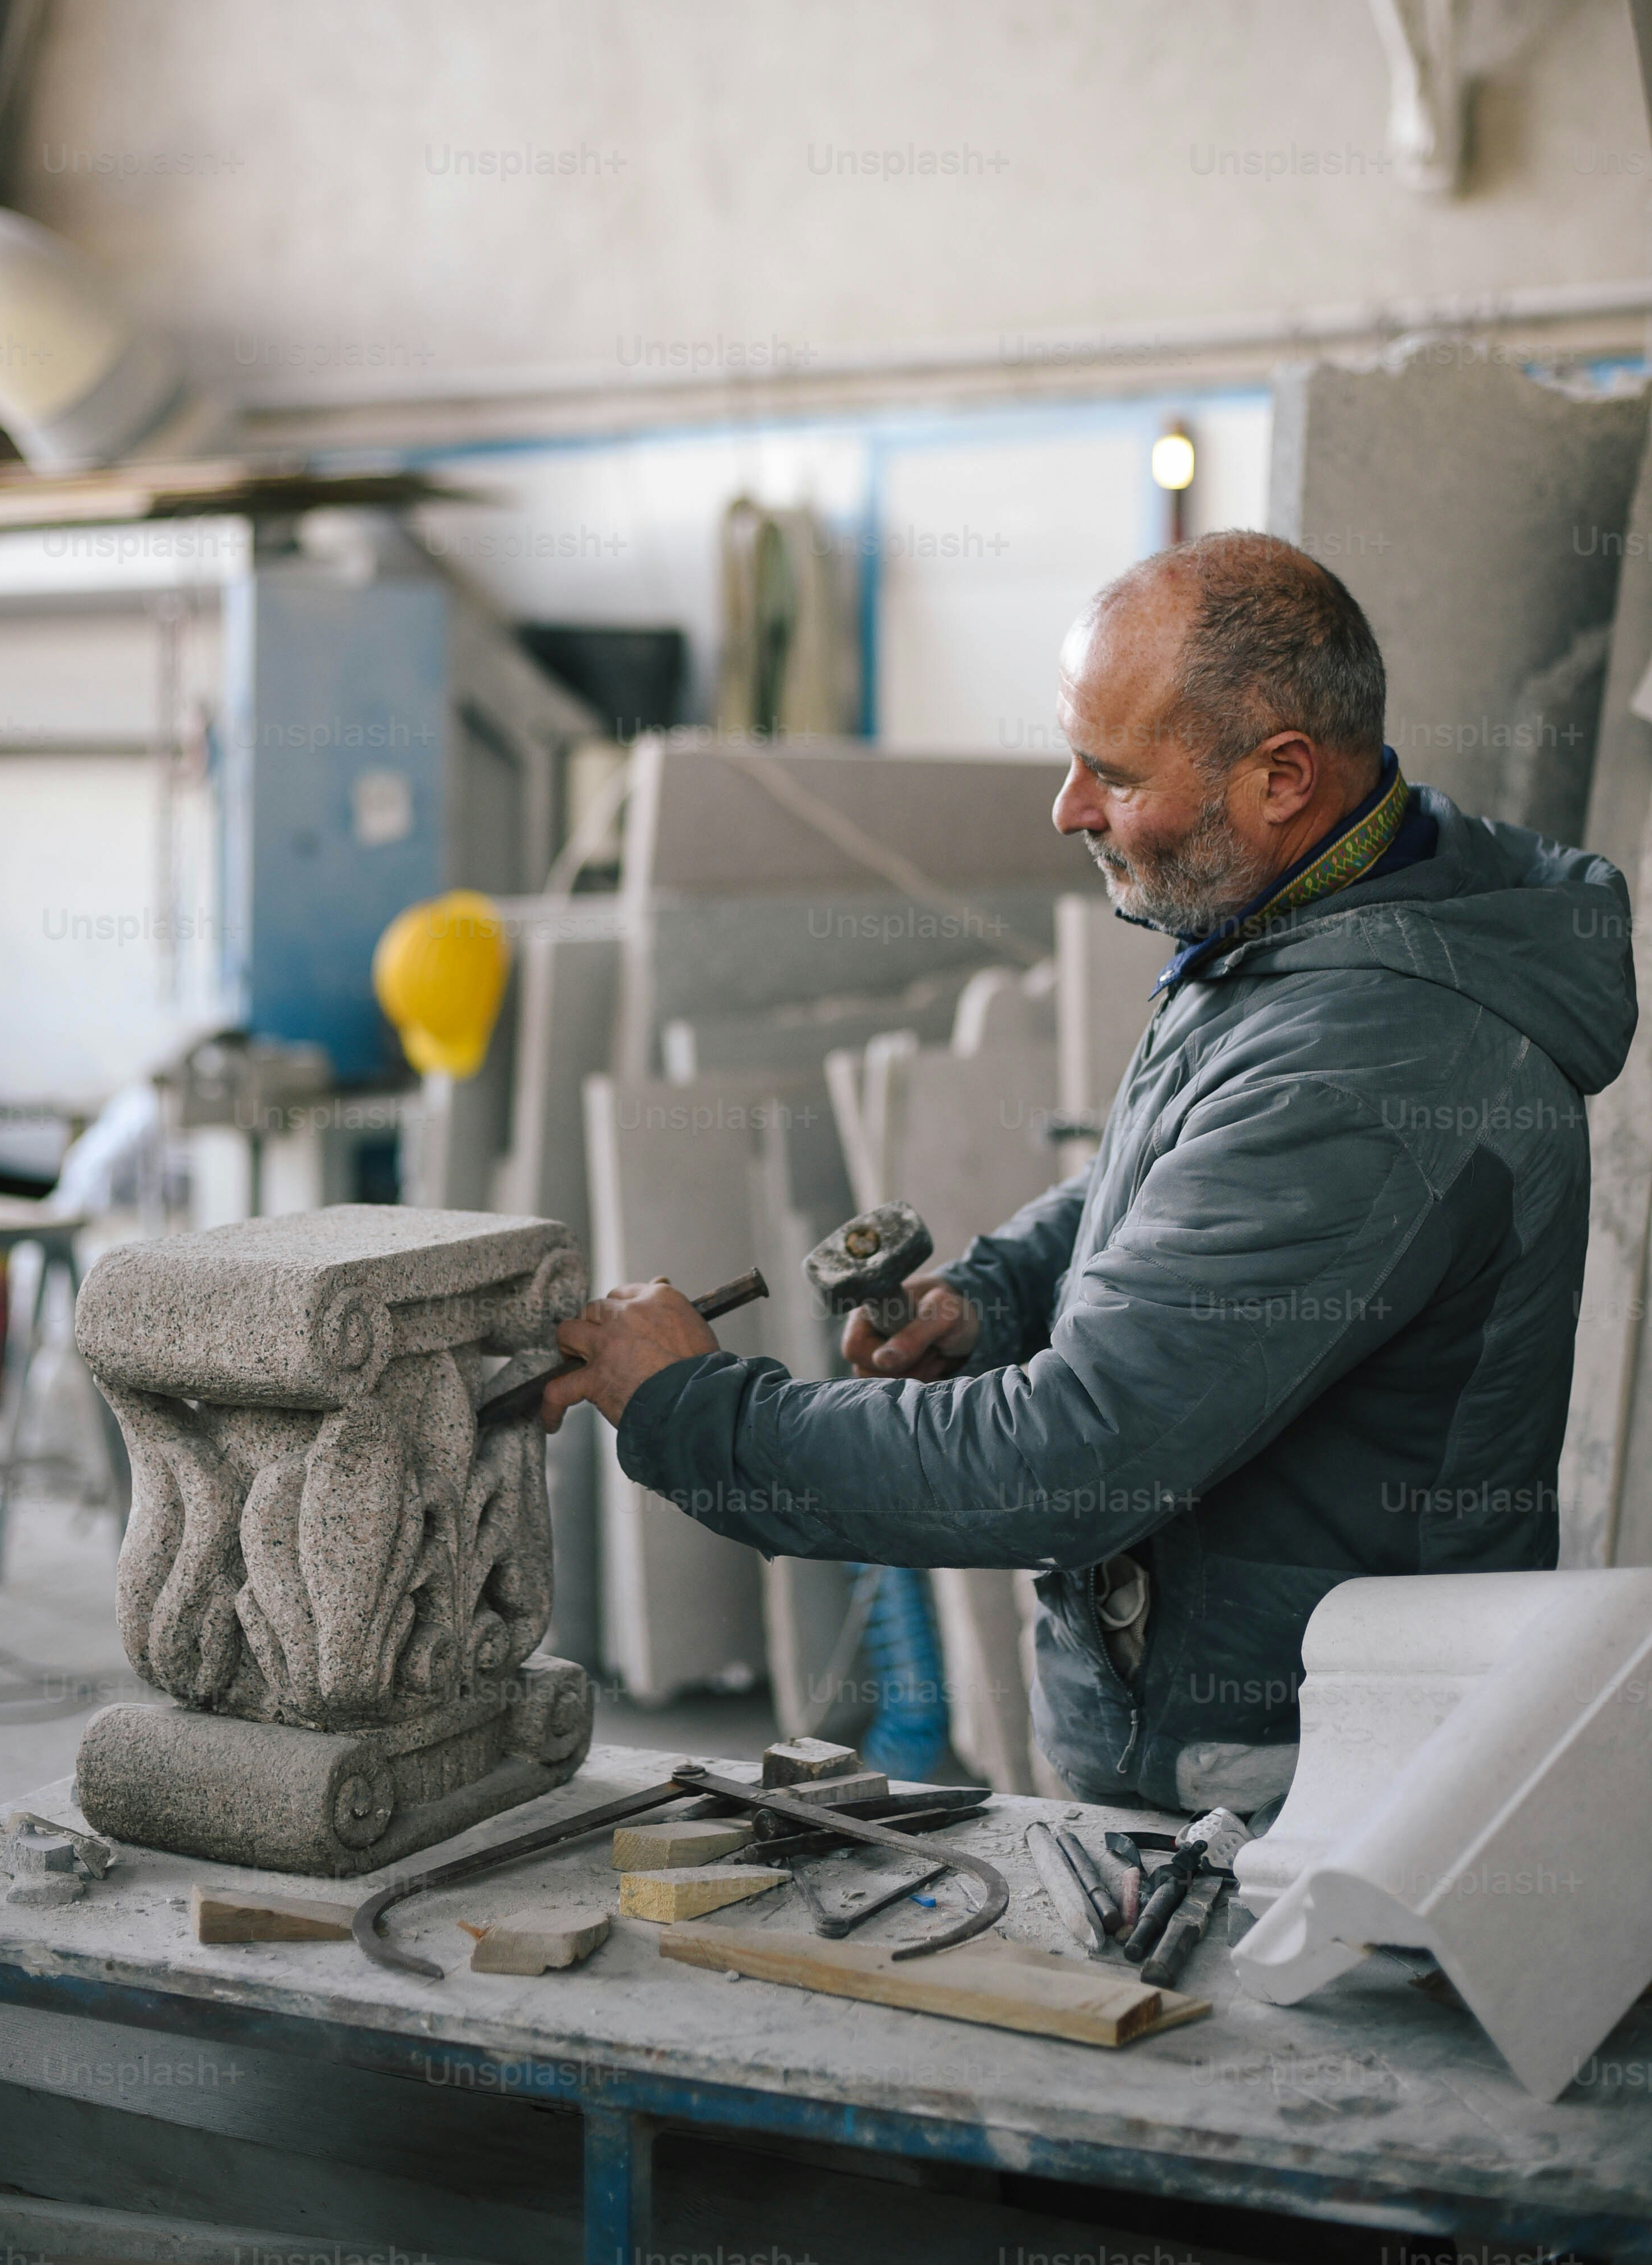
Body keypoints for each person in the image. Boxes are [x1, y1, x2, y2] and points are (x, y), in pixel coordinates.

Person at [540, 531, 1635, 1813]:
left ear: (1284, 776)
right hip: (1230, 1725)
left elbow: (1066, 1460)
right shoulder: (1324, 911)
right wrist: (999, 1292)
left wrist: (693, 1411)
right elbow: (1188, 1169)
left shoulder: (1373, 1061)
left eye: (1112, 775)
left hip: (1288, 1772)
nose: (1067, 810)